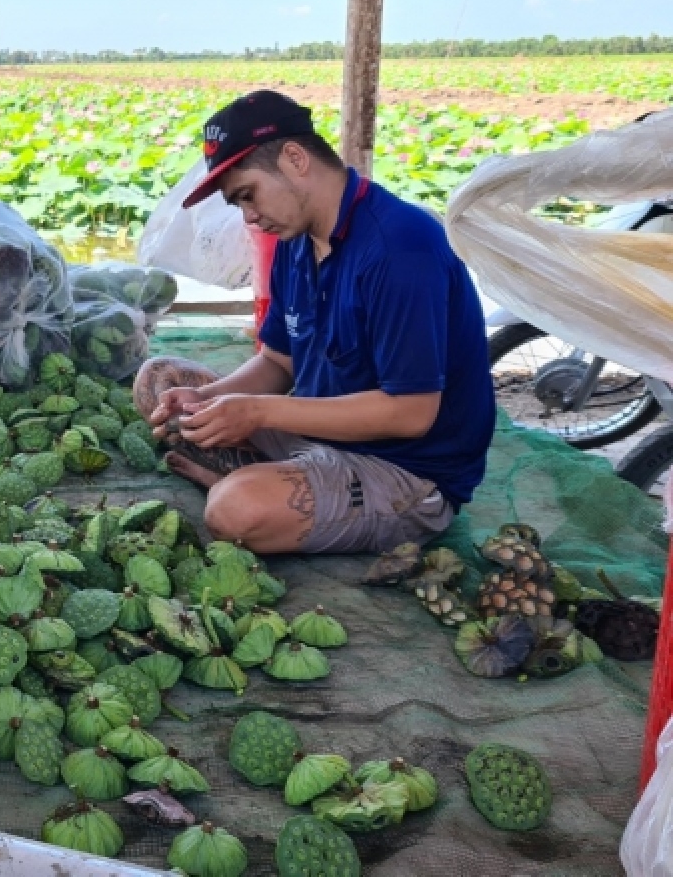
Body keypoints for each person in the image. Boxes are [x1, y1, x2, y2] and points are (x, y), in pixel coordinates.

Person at [135, 89, 495, 556]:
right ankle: (268, 478)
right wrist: (209, 398)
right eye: (237, 204)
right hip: (316, 430)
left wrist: (258, 412)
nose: (249, 216)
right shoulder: (296, 241)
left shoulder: (400, 249)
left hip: (403, 469)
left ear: (294, 159)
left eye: (248, 195)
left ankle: (249, 485)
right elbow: (278, 363)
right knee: (160, 381)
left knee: (234, 510)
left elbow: (410, 414)